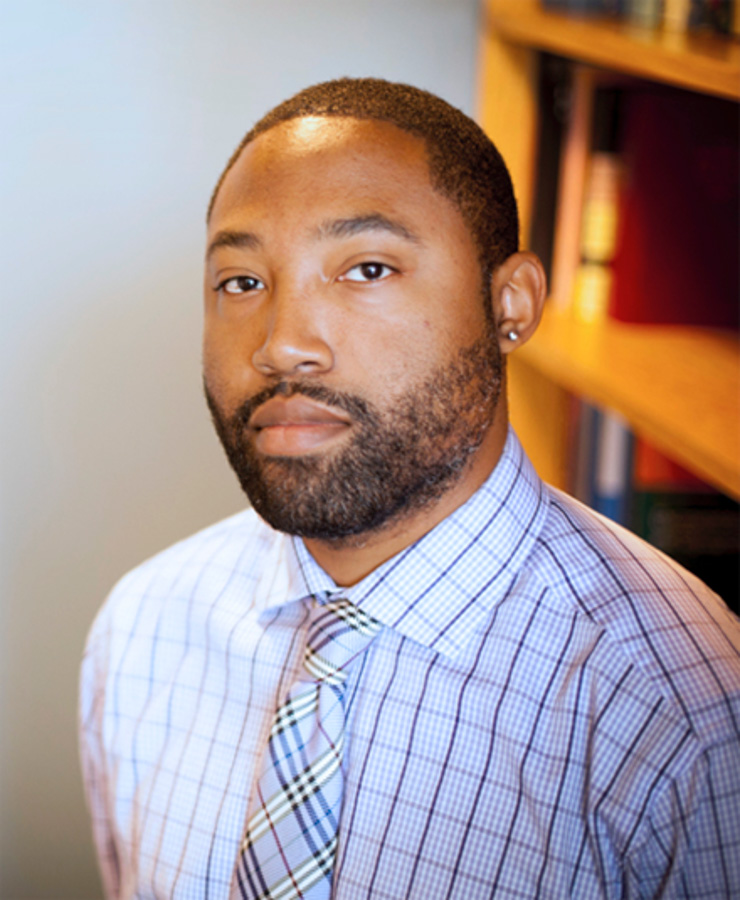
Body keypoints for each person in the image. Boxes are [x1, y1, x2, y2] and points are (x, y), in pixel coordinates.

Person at [80, 78, 740, 900]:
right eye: (242, 283)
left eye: (366, 268)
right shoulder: (144, 628)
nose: (284, 346)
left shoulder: (684, 712)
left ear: (511, 303)